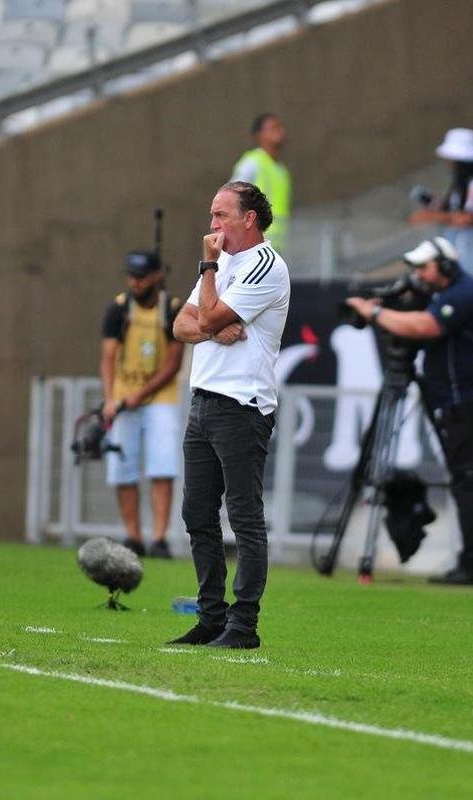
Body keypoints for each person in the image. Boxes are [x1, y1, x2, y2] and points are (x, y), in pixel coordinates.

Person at [344, 236, 473, 586]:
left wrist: (375, 312)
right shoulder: (443, 294)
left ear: (446, 266)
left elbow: (425, 326)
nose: (418, 274)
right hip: (466, 401)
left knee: (472, 482)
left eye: (424, 266)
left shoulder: (461, 296)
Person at [167, 181, 291, 649]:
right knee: (197, 513)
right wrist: (211, 323)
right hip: (203, 401)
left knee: (243, 517)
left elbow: (209, 316)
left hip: (242, 406)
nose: (213, 225)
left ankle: (244, 625)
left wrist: (209, 287)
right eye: (212, 215)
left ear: (249, 219)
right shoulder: (224, 267)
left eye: (221, 215)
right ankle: (211, 617)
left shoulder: (264, 265)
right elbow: (184, 324)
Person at [99, 249, 184, 558]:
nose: (134, 282)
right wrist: (111, 398)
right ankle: (133, 537)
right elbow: (108, 359)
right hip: (123, 400)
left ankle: (159, 538)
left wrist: (140, 395)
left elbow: (173, 364)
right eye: (131, 276)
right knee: (123, 468)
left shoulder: (171, 309)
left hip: (160, 399)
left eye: (141, 276)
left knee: (162, 467)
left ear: (156, 276)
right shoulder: (118, 309)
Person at [408, 127, 473, 277]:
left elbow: (466, 217)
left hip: (466, 245)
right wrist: (429, 201)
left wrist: (431, 217)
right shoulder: (458, 183)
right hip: (452, 241)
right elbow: (449, 208)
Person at [232, 113, 291, 252]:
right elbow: (232, 197)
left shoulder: (282, 170)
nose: (281, 131)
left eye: (281, 127)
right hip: (255, 243)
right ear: (259, 135)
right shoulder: (252, 162)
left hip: (277, 244)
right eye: (273, 128)